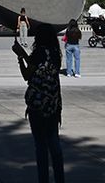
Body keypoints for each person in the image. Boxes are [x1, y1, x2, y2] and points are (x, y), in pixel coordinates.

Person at [16, 23, 65, 183]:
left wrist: (19, 58)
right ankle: (59, 178)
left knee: (40, 145)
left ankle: (43, 179)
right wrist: (24, 55)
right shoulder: (56, 54)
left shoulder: (37, 53)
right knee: (54, 142)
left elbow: (27, 74)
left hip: (37, 105)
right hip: (52, 103)